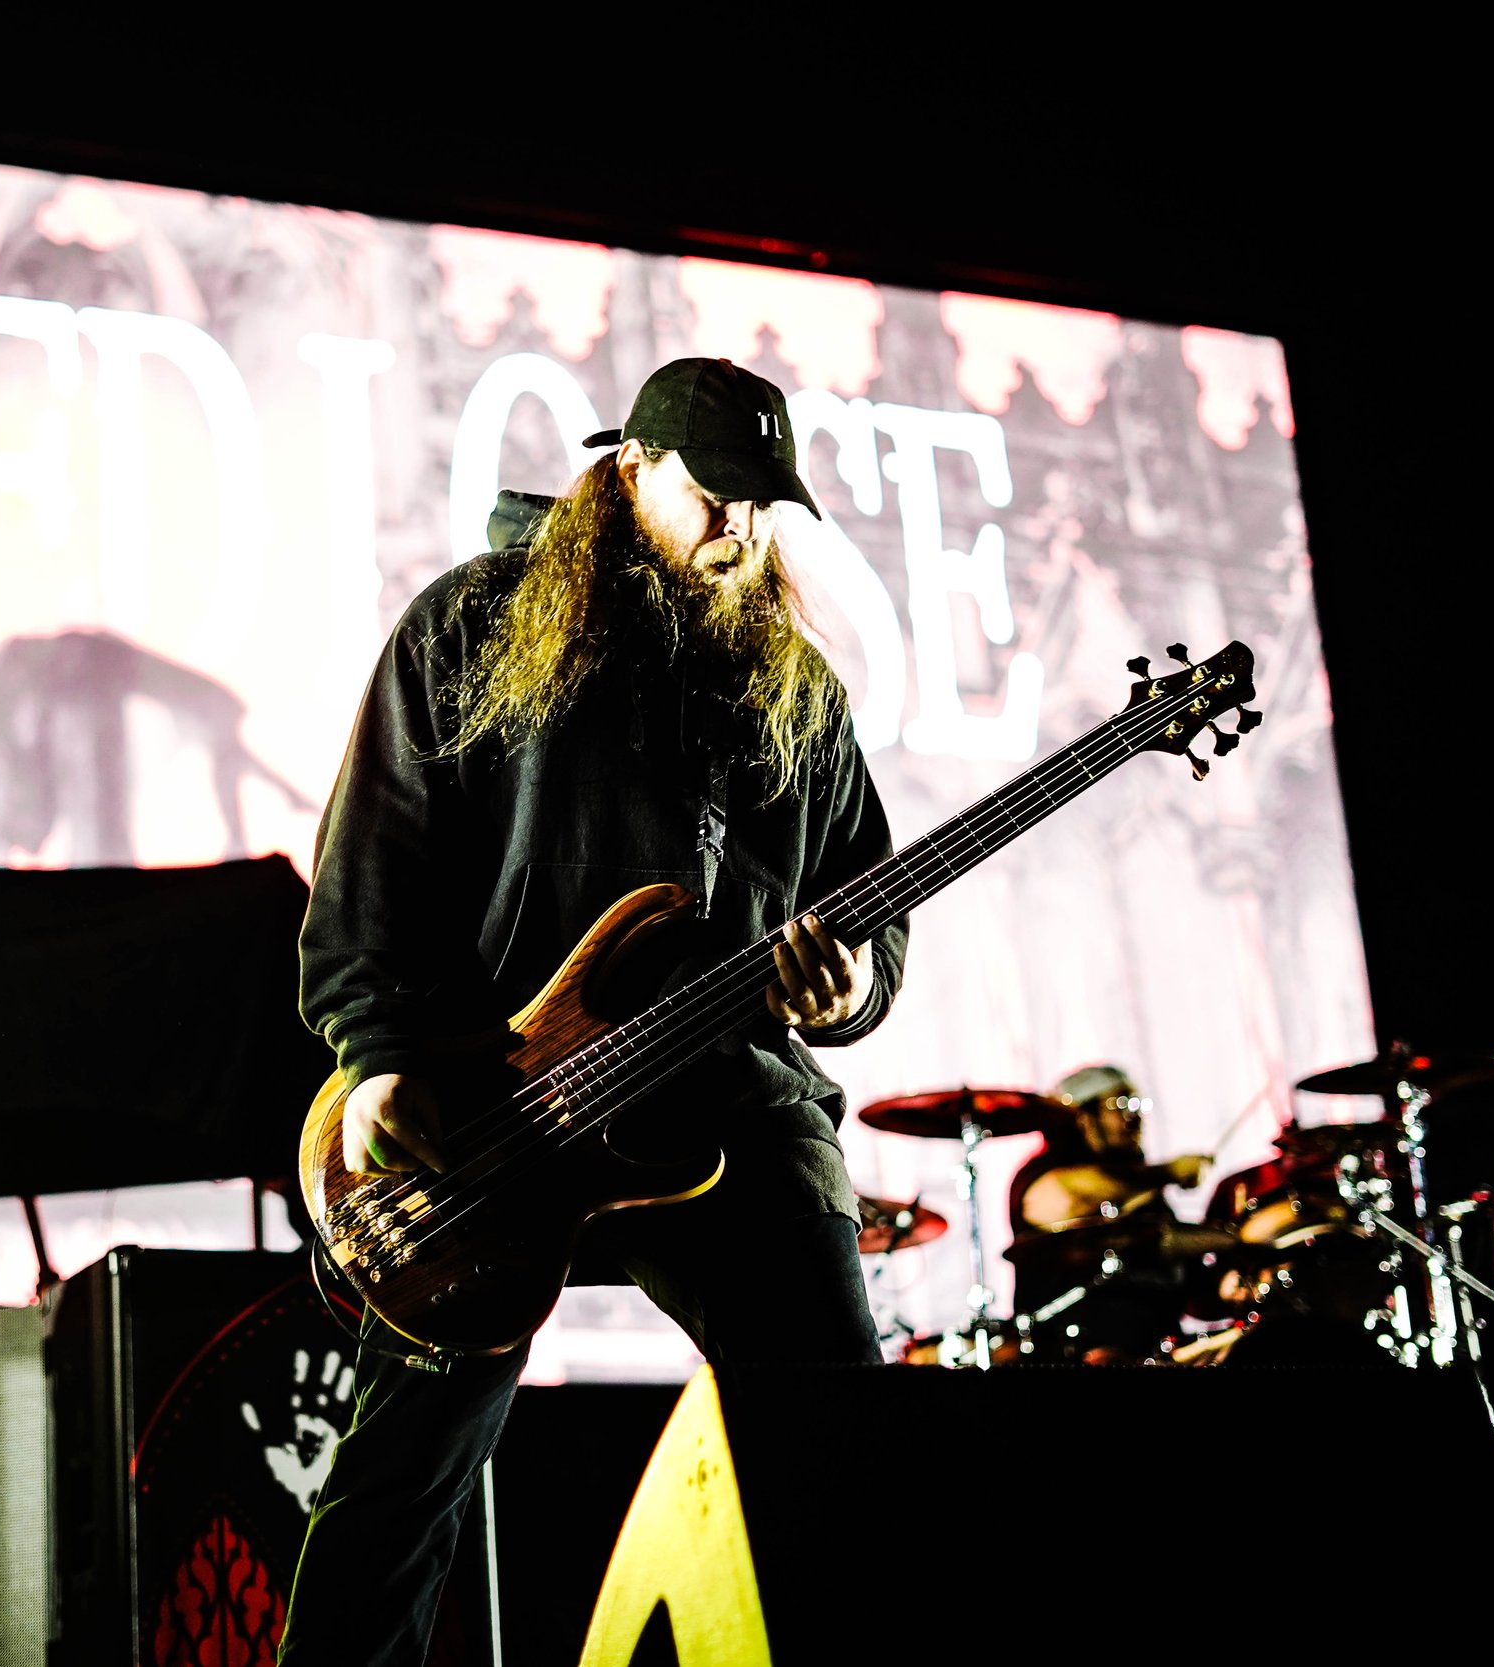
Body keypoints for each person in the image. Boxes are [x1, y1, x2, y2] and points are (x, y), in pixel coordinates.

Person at [280, 358, 911, 1665]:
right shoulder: (473, 625)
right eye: (712, 494)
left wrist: (851, 984)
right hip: (497, 1096)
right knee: (401, 1479)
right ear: (629, 473)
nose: (740, 530)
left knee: (840, 1438)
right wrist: (382, 1059)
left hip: (724, 1092)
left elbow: (868, 906)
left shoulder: (798, 692)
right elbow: (369, 869)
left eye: (762, 504)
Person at [1001, 1064, 1210, 1362]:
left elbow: (1172, 1253)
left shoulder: (1139, 1184)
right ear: (1082, 1116)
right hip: (1069, 1350)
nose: (1134, 1115)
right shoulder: (1039, 1175)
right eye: (1121, 1104)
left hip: (1160, 1344)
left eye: (1137, 1104)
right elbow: (1068, 1196)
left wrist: (1233, 1242)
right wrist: (1169, 1171)